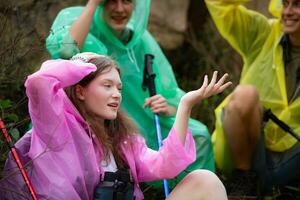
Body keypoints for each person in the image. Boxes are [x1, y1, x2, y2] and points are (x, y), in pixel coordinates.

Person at [0, 52, 230, 199]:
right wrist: (80, 64)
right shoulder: (56, 127)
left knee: (205, 180)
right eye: (107, 85)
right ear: (80, 90)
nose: (116, 95)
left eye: (119, 88)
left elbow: (165, 165)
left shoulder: (122, 140)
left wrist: (185, 105)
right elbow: (39, 82)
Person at [45, 0, 215, 188]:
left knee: (199, 134)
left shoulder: (140, 40)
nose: (119, 9)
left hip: (140, 117)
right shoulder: (77, 18)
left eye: (126, 1)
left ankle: (189, 190)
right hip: (86, 118)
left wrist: (167, 106)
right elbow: (66, 50)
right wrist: (92, 5)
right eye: (111, 1)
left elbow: (166, 88)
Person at [205, 0, 300, 196]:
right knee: (245, 94)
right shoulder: (263, 33)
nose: (288, 12)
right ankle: (244, 183)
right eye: (285, 3)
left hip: (294, 156)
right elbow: (219, 4)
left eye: (297, 5)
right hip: (252, 153)